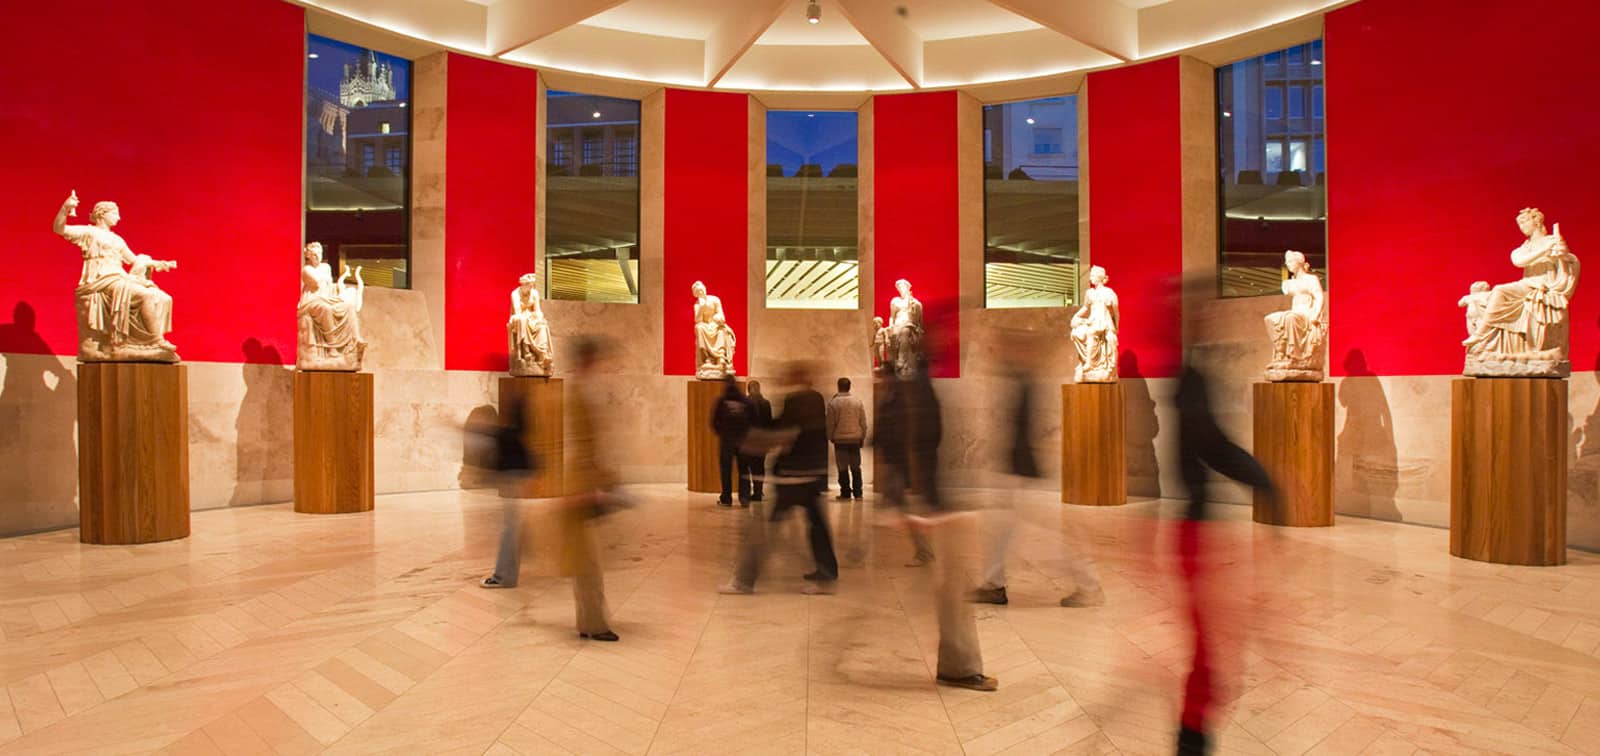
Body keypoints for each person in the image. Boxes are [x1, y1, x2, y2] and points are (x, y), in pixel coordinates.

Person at [1173, 356, 1278, 754]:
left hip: (1194, 525)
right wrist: (1262, 479)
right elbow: (1210, 442)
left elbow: (1207, 441)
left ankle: (1192, 732)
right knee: (1210, 641)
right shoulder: (1193, 374)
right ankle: (1191, 734)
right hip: (1193, 529)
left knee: (1210, 638)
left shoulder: (1189, 371)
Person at [972, 333, 1103, 607]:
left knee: (1049, 537)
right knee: (1000, 530)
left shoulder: (1027, 383)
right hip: (1017, 471)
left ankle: (1089, 586)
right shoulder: (1018, 381)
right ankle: (994, 585)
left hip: (1024, 473)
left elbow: (1032, 430)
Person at [720, 361, 839, 595]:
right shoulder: (816, 399)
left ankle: (744, 580)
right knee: (817, 527)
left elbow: (786, 433)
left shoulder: (797, 401)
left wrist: (751, 441)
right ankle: (826, 573)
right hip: (812, 474)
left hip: (793, 476)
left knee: (765, 529)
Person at [52, 191, 179, 360]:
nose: (118, 218)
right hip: (101, 279)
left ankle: (143, 342)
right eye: (115, 214)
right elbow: (59, 229)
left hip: (119, 277)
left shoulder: (117, 239)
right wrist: (65, 208)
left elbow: (134, 260)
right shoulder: (89, 233)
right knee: (146, 295)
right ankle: (157, 341)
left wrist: (160, 264)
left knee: (163, 297)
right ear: (103, 214)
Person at [297, 242, 367, 370]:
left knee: (348, 306)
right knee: (326, 309)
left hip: (327, 297)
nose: (317, 256)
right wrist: (326, 280)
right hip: (312, 301)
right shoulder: (306, 270)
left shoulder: (326, 267)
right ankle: (333, 348)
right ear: (308, 256)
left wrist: (341, 288)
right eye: (314, 254)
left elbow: (328, 285)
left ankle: (356, 340)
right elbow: (317, 283)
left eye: (319, 253)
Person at [711, 377, 754, 506]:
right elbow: (754, 420)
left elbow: (714, 422)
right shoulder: (746, 401)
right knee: (744, 469)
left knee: (726, 470)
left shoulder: (722, 401)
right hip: (743, 440)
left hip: (727, 440)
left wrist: (722, 433)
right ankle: (744, 497)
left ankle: (726, 497)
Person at [826, 377, 867, 501]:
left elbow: (830, 424)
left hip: (840, 440)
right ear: (850, 386)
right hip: (855, 439)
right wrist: (862, 437)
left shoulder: (833, 403)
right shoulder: (857, 402)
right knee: (856, 466)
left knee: (842, 467)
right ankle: (858, 493)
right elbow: (863, 423)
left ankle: (845, 493)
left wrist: (830, 436)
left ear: (838, 386)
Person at [743, 380, 773, 502]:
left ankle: (749, 491)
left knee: (748, 466)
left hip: (749, 439)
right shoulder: (766, 403)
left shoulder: (745, 403)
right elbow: (769, 424)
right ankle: (758, 491)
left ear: (749, 389)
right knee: (760, 467)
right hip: (762, 440)